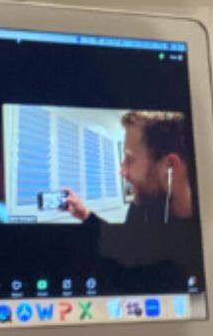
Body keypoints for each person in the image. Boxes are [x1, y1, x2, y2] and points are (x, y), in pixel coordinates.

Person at [63, 111, 203, 290]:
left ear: (170, 166)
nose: (122, 171)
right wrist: (85, 215)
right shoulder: (142, 209)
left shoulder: (204, 242)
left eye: (129, 159)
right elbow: (123, 244)